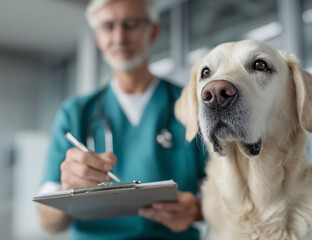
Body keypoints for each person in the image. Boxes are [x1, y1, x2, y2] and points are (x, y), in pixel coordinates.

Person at [36, 0, 207, 239]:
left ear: (153, 31)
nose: (119, 37)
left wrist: (197, 209)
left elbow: (232, 192)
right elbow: (48, 223)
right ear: (97, 38)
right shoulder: (74, 113)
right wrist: (67, 190)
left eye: (131, 24)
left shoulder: (195, 104)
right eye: (108, 26)